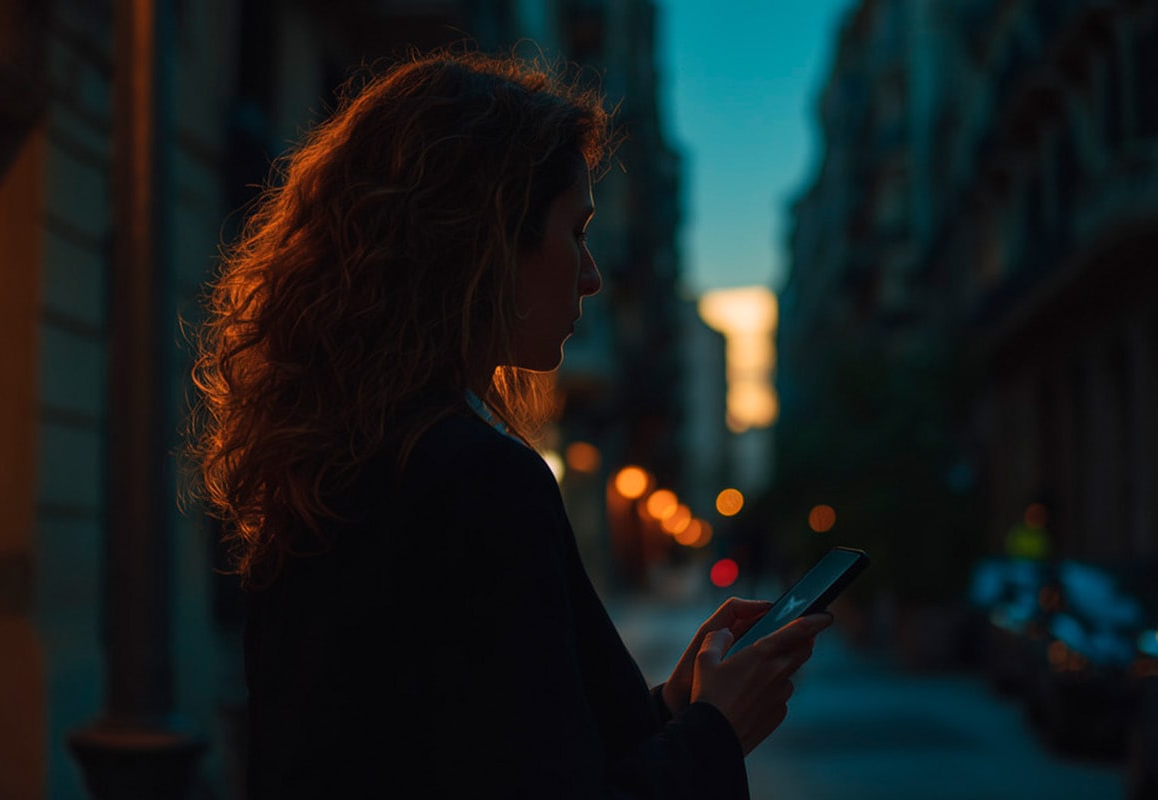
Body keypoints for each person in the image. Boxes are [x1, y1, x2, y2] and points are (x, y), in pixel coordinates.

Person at [191, 53, 831, 799]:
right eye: (576, 230)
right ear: (486, 242)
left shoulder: (340, 454)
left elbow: (487, 743)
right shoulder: (476, 476)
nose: (590, 274)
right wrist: (719, 732)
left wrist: (674, 708)